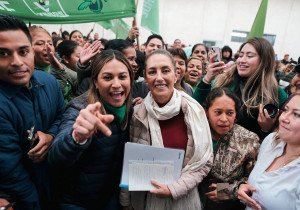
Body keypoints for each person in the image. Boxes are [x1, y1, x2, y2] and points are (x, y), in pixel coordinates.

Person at [120, 49, 213, 209]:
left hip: (186, 199)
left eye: (165, 70)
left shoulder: (194, 110)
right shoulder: (137, 115)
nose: (159, 78)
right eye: (152, 72)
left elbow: (204, 161)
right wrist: (126, 202)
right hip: (148, 201)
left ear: (176, 75)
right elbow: (132, 163)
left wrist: (173, 189)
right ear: (145, 78)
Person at [48, 49, 133, 209]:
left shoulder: (132, 109)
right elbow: (55, 158)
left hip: (110, 200)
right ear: (95, 81)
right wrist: (76, 138)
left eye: (122, 76)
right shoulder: (79, 109)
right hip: (76, 202)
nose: (116, 84)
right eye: (107, 77)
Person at [0, 14, 65, 209]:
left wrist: (52, 135)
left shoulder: (50, 83)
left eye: (23, 51)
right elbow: (11, 174)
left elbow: (62, 116)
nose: (17, 61)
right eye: (3, 53)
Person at [193, 37, 288, 139]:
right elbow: (194, 110)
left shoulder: (276, 93)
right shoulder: (224, 82)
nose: (242, 60)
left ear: (264, 60)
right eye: (240, 55)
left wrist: (266, 129)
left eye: (249, 56)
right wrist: (207, 79)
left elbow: (284, 136)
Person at [199, 87, 260, 210]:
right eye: (218, 112)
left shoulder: (248, 140)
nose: (224, 119)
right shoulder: (196, 133)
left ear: (236, 114)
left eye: (230, 113)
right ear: (207, 112)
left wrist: (226, 191)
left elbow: (254, 179)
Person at [237, 92, 300, 210]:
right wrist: (242, 188)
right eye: (285, 110)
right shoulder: (271, 141)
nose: (283, 118)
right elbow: (255, 184)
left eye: (296, 114)